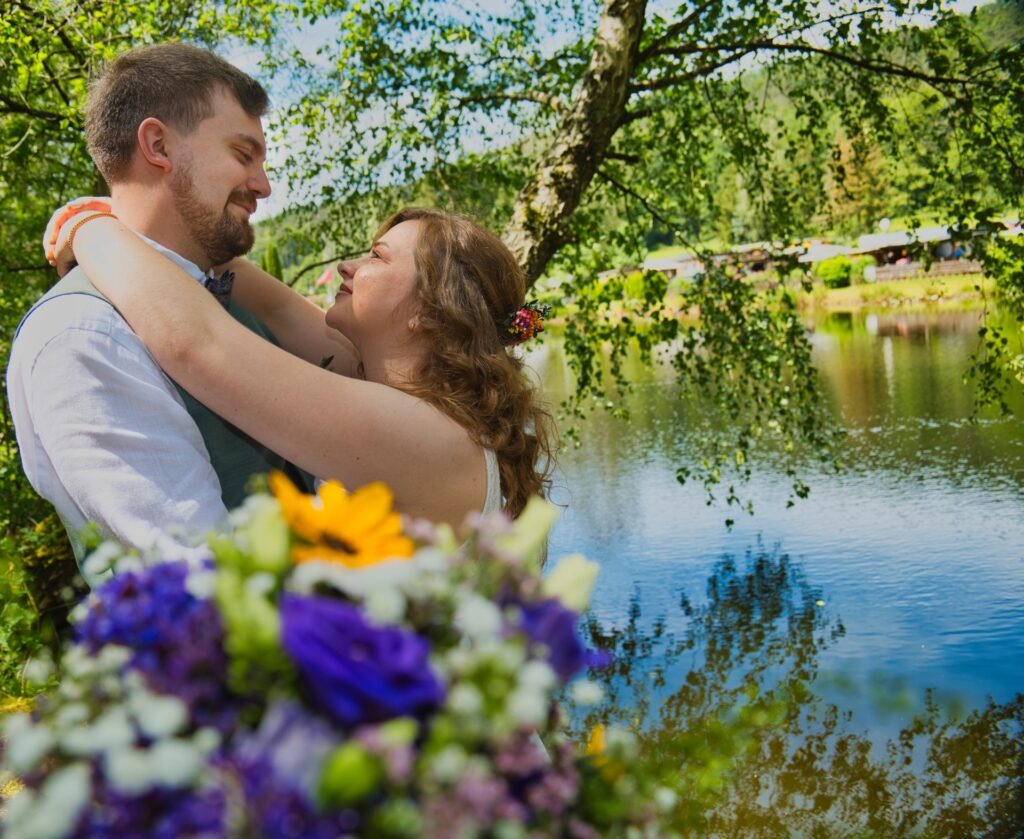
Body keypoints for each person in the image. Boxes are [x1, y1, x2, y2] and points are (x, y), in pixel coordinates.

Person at [6, 44, 315, 584]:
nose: (263, 185)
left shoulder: (230, 294)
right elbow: (205, 584)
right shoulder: (85, 336)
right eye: (244, 154)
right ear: (156, 145)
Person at [48, 206, 556, 528]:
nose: (347, 267)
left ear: (429, 311)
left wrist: (90, 227)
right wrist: (154, 217)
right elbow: (280, 309)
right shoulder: (414, 400)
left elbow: (199, 345)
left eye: (376, 258)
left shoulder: (422, 434)